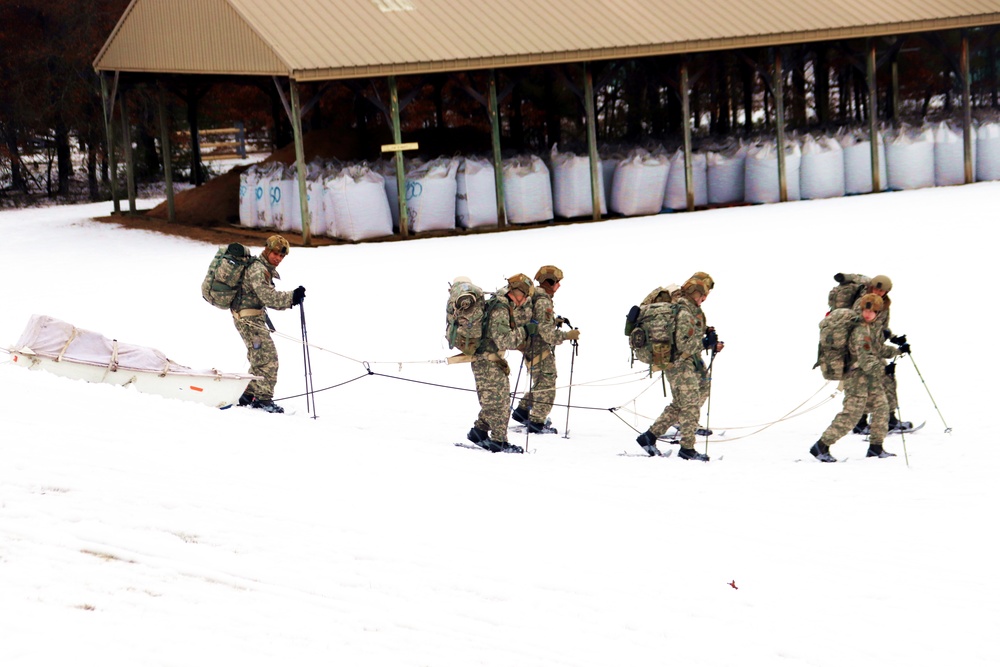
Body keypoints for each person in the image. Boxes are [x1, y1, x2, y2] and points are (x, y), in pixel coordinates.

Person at [635, 276, 723, 460]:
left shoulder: (691, 309)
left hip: (688, 362)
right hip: (679, 364)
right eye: (703, 294)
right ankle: (687, 448)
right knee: (689, 403)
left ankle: (649, 437)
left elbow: (691, 336)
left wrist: (708, 339)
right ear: (695, 293)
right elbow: (684, 345)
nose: (704, 298)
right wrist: (706, 343)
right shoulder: (684, 311)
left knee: (682, 403)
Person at [810, 293, 895, 462]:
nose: (868, 313)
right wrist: (884, 370)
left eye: (872, 311)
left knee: (881, 408)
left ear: (878, 313)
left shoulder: (871, 328)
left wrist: (898, 350)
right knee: (851, 415)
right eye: (866, 310)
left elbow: (877, 350)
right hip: (857, 378)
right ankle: (821, 446)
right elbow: (865, 360)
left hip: (869, 378)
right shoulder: (860, 331)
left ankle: (876, 447)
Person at [233, 234, 306, 413]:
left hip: (250, 318)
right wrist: (292, 297)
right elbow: (269, 297)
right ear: (267, 249)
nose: (278, 259)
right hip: (249, 320)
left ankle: (248, 394)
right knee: (269, 360)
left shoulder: (262, 267)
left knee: (259, 359)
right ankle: (263, 400)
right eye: (276, 254)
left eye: (282, 256)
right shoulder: (258, 270)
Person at [466, 274, 535, 453]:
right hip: (486, 362)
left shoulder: (503, 305)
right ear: (517, 292)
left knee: (496, 400)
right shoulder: (500, 309)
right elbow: (504, 340)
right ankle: (499, 441)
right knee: (500, 403)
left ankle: (479, 432)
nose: (526, 299)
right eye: (525, 295)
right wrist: (524, 331)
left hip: (491, 360)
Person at [511, 265, 581, 433]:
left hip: (530, 346)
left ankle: (522, 411)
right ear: (549, 283)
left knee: (541, 381)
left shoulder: (535, 296)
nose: (558, 287)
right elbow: (548, 335)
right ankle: (537, 422)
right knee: (548, 383)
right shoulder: (543, 301)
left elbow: (540, 323)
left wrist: (553, 322)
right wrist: (567, 335)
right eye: (557, 283)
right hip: (538, 348)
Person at [850, 275, 913, 434]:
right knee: (865, 385)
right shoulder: (863, 302)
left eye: (882, 290)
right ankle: (861, 421)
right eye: (876, 288)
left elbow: (882, 327)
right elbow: (858, 325)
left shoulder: (884, 305)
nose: (878, 292)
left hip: (874, 347)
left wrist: (893, 338)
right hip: (861, 350)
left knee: (888, 380)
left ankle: (889, 419)